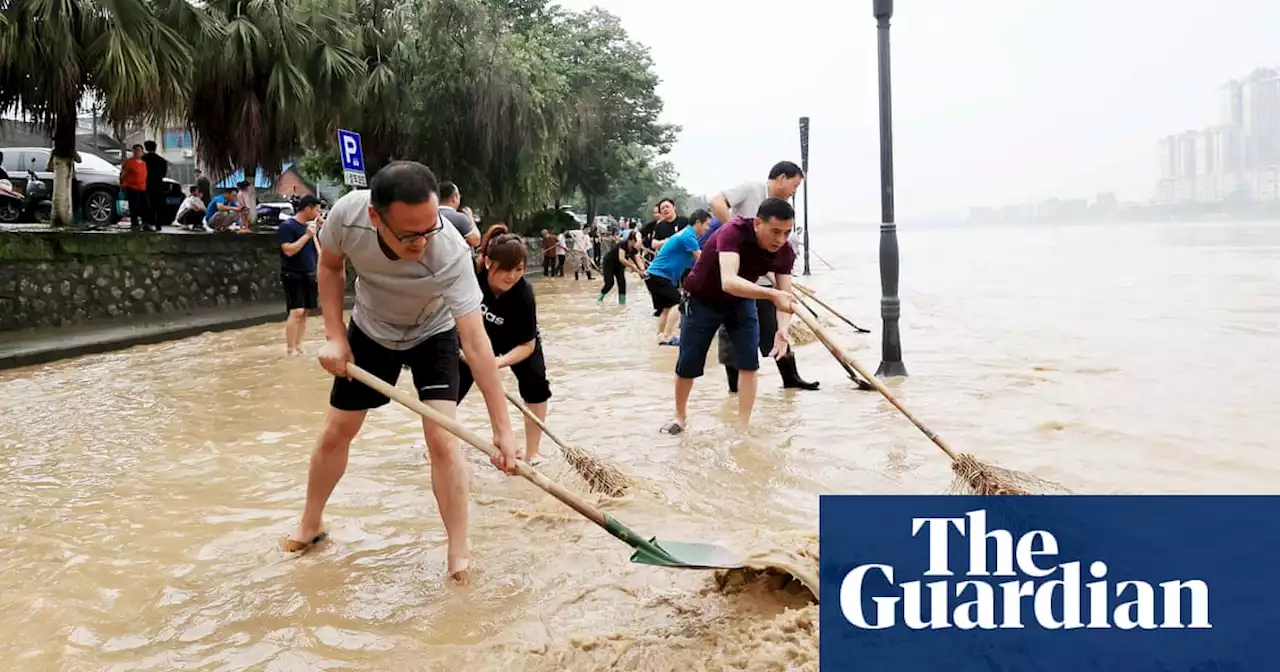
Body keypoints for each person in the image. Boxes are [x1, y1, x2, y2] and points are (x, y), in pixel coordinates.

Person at [282, 161, 520, 584]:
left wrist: (502, 428)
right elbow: (331, 266)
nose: (422, 242)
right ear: (376, 217)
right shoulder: (347, 215)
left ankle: (458, 555)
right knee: (337, 430)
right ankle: (311, 524)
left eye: (429, 228)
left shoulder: (448, 250)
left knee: (442, 437)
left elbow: (476, 341)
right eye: (410, 233)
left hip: (435, 332)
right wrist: (335, 335)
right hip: (372, 330)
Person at [663, 198, 798, 435]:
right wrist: (771, 293)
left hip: (741, 301)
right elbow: (729, 281)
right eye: (775, 231)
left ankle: (742, 427)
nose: (780, 240)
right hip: (702, 298)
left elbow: (785, 297)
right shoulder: (733, 231)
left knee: (749, 364)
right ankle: (680, 417)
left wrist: (783, 330)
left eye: (787, 233)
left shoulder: (785, 251)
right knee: (688, 363)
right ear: (758, 223)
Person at [707, 161, 818, 393]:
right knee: (733, 337)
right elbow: (716, 201)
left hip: (765, 282)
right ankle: (735, 391)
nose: (795, 191)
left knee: (776, 332)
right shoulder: (751, 190)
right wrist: (735, 233)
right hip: (737, 283)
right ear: (781, 179)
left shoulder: (782, 211)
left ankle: (792, 380)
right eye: (795, 185)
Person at [459, 233, 553, 464]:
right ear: (489, 262)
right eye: (506, 269)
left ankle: (533, 452)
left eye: (519, 269)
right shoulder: (472, 279)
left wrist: (496, 363)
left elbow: (527, 345)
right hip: (474, 339)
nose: (512, 276)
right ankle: (437, 445)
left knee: (536, 384)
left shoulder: (523, 294)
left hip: (517, 342)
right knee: (448, 388)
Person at [644, 209, 711, 345]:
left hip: (654, 275)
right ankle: (668, 336)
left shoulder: (686, 234)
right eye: (707, 224)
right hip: (659, 276)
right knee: (678, 303)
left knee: (667, 307)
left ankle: (660, 336)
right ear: (698, 222)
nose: (708, 228)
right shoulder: (689, 236)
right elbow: (702, 259)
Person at [278, 194, 324, 356]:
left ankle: (298, 345)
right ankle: (290, 349)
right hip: (293, 274)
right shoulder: (287, 226)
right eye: (316, 210)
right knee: (296, 311)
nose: (318, 213)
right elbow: (288, 250)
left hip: (309, 273)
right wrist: (307, 236)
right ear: (308, 208)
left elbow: (318, 250)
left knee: (305, 312)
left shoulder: (310, 227)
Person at [598, 229, 643, 305]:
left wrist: (642, 270)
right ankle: (600, 299)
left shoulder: (634, 249)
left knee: (622, 283)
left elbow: (638, 261)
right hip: (609, 263)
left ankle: (622, 304)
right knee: (610, 283)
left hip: (619, 266)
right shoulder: (623, 244)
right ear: (631, 240)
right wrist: (633, 267)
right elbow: (621, 259)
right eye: (636, 242)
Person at [438, 180, 481, 249]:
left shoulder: (429, 215)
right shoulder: (459, 218)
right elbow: (476, 241)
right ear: (454, 198)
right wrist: (470, 218)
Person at [119, 145, 148, 232]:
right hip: (132, 187)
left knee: (144, 206)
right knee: (133, 206)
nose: (137, 153)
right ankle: (134, 223)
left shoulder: (143, 163)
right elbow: (123, 174)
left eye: (139, 151)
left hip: (142, 188)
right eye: (135, 151)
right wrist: (122, 183)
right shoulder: (129, 162)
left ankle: (145, 223)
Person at [142, 141, 168, 231]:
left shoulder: (142, 160)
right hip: (158, 185)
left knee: (147, 205)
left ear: (145, 148)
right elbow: (163, 174)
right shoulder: (162, 161)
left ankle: (147, 223)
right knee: (158, 206)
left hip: (146, 185)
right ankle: (158, 224)